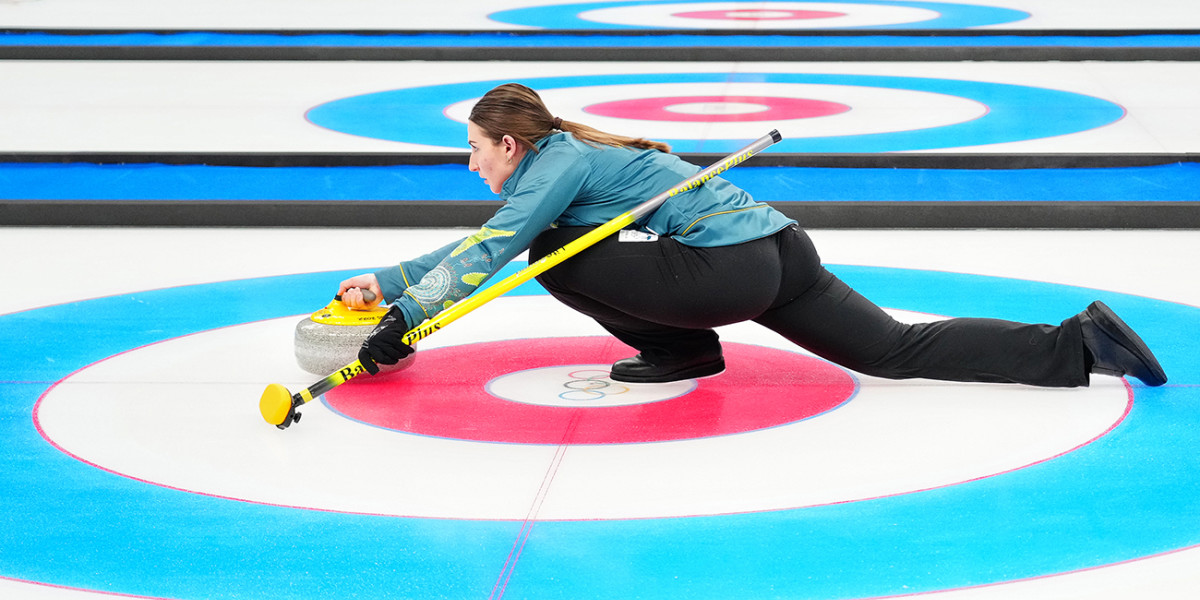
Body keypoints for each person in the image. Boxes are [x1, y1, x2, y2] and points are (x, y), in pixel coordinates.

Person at [339, 83, 1167, 389]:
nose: (473, 165)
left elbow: (497, 246)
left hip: (725, 270)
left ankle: (682, 352)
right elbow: (484, 237)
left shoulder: (551, 167)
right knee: (892, 348)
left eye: (476, 151)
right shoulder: (568, 158)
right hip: (780, 251)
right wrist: (393, 282)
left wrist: (406, 320)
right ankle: (1078, 346)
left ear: (509, 145)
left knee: (557, 258)